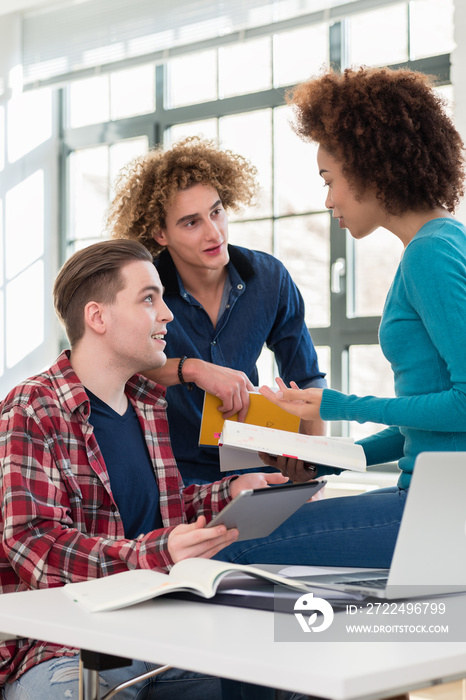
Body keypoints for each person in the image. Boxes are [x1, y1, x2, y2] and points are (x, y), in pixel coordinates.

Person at [0, 239, 290, 700]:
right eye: (148, 299)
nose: (167, 315)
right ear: (98, 317)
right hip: (67, 647)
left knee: (287, 680)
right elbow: (32, 542)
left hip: (163, 634)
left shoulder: (148, 404)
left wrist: (233, 492)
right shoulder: (32, 406)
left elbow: (163, 510)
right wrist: (158, 553)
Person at [217, 65, 466, 567]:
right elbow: (427, 428)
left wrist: (336, 405)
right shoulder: (441, 244)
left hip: (442, 509)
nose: (328, 199)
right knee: (242, 529)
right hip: (433, 498)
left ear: (371, 168)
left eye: (330, 180)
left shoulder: (430, 254)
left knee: (229, 544)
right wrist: (323, 459)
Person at [107, 137, 327, 485]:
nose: (214, 233)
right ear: (160, 232)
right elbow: (120, 366)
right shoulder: (141, 288)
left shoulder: (270, 278)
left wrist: (313, 467)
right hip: (172, 476)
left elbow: (307, 379)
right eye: (191, 223)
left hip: (256, 465)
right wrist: (193, 369)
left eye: (216, 211)